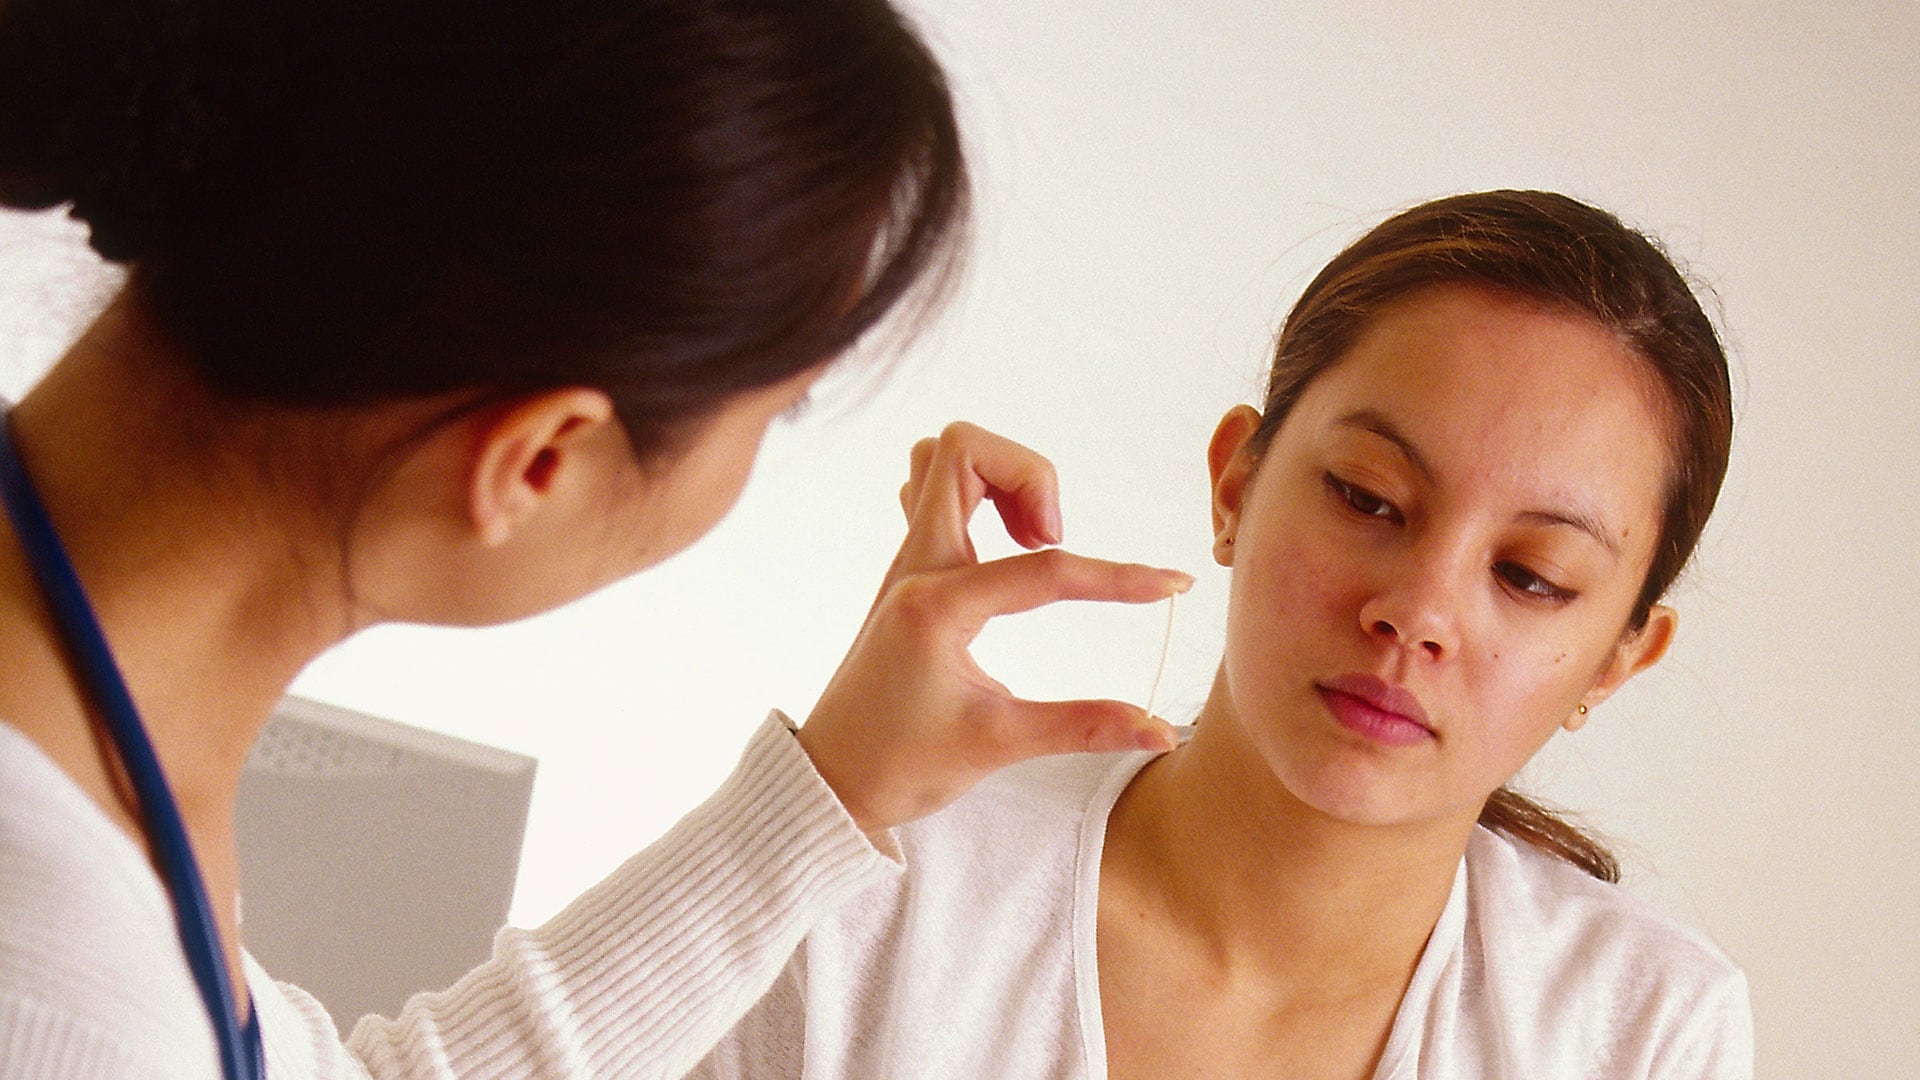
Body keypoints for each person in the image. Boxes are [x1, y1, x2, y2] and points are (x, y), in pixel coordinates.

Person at [0, 1, 1193, 1078]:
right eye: (780, 408)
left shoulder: (74, 771)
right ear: (540, 460)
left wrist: (832, 788)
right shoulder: (58, 985)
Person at [692, 190, 1756, 1080]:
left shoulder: (1645, 1030)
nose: (1418, 612)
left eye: (1530, 576)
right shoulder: (883, 893)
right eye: (1368, 498)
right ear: (1237, 484)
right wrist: (814, 802)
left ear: (1619, 658)